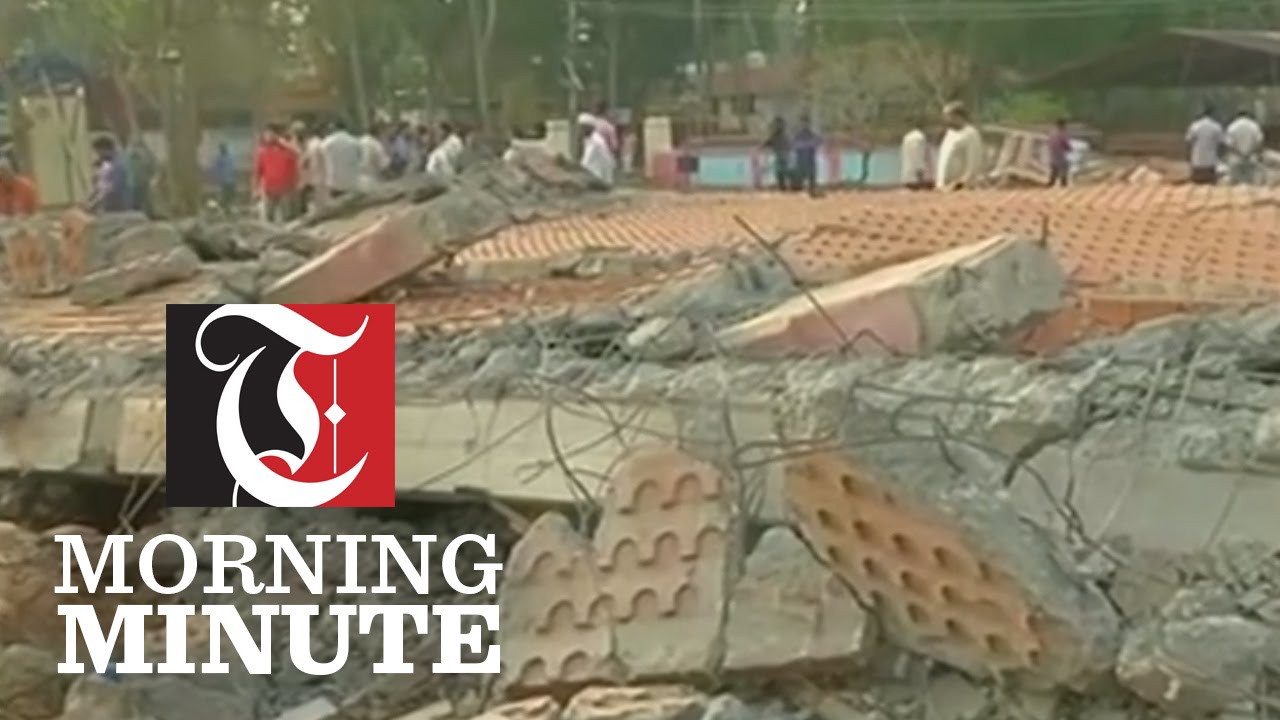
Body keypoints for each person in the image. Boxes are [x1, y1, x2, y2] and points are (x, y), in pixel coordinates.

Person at [253, 123, 300, 223]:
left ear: (276, 135)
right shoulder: (262, 151)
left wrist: (284, 143)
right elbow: (258, 172)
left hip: (286, 189)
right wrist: (256, 189)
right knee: (268, 217)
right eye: (266, 134)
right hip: (269, 189)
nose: (267, 136)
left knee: (287, 217)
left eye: (270, 134)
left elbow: (297, 155)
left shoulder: (287, 150)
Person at [935, 101, 985, 191]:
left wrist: (959, 185)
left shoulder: (970, 134)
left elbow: (973, 164)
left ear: (958, 117)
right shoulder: (949, 133)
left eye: (948, 116)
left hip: (961, 189)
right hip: (944, 189)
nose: (945, 119)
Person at [320, 119, 362, 199]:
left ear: (334, 128)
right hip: (352, 181)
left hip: (335, 183)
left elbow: (321, 157)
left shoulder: (327, 142)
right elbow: (360, 157)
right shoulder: (354, 141)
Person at [88, 136, 131, 213]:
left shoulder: (117, 165)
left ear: (105, 149)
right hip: (111, 206)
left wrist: (94, 203)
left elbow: (110, 189)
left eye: (98, 151)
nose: (98, 155)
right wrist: (90, 199)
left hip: (117, 207)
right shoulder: (109, 163)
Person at [1186, 105, 1225, 186]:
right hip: (1211, 162)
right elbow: (1221, 144)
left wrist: (1188, 157)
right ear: (1213, 114)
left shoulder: (1195, 126)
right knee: (1209, 187)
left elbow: (1189, 142)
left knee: (1196, 186)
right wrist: (1220, 157)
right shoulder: (1216, 127)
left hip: (1197, 161)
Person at [1226, 109, 1265, 186]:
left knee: (1235, 186)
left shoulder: (1232, 127)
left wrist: (1241, 154)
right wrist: (1249, 153)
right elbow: (1259, 142)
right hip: (1251, 158)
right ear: (1247, 115)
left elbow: (1229, 145)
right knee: (1251, 185)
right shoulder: (1254, 126)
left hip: (1236, 160)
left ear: (1237, 116)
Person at [123, 136, 156, 215]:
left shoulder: (128, 153)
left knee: (140, 200)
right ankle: (146, 213)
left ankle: (143, 213)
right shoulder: (144, 153)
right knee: (142, 200)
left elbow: (151, 166)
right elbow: (152, 166)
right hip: (139, 181)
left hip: (136, 182)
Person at [579, 116, 616, 186]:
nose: (581, 130)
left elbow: (586, 159)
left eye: (583, 127)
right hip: (596, 172)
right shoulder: (588, 138)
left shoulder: (595, 140)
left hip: (599, 175)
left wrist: (577, 168)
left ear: (590, 128)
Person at [791, 115, 821, 195]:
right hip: (801, 160)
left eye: (806, 123)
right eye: (803, 123)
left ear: (809, 124)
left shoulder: (813, 134)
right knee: (799, 177)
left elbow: (818, 142)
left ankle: (812, 189)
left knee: (812, 177)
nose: (804, 125)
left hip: (810, 159)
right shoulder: (797, 135)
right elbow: (794, 145)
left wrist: (808, 145)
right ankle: (798, 189)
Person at [900, 120, 931, 190]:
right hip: (917, 179)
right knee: (919, 163)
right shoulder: (920, 136)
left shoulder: (907, 136)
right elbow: (921, 155)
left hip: (907, 176)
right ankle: (919, 181)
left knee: (910, 163)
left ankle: (912, 180)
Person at [357, 122, 389, 189]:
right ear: (378, 132)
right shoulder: (376, 144)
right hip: (373, 181)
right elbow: (383, 165)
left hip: (359, 180)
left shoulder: (359, 141)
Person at [762, 117, 791, 191]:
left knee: (781, 171)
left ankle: (783, 186)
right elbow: (768, 143)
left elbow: (768, 143)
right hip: (781, 155)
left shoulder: (780, 135)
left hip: (783, 155)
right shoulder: (777, 135)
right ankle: (783, 186)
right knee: (780, 171)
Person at [211, 142, 236, 212]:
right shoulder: (220, 158)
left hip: (229, 180)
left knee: (229, 195)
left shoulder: (228, 157)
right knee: (225, 195)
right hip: (224, 180)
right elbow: (217, 169)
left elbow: (231, 168)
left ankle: (228, 207)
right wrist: (218, 177)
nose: (224, 149)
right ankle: (225, 207)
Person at [1046, 118, 1072, 188]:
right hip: (1060, 153)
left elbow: (1048, 142)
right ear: (1063, 125)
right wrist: (1070, 149)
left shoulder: (1052, 132)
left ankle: (1051, 182)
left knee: (1054, 168)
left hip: (1052, 152)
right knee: (1064, 166)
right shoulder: (1062, 133)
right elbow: (1065, 143)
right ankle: (1063, 183)